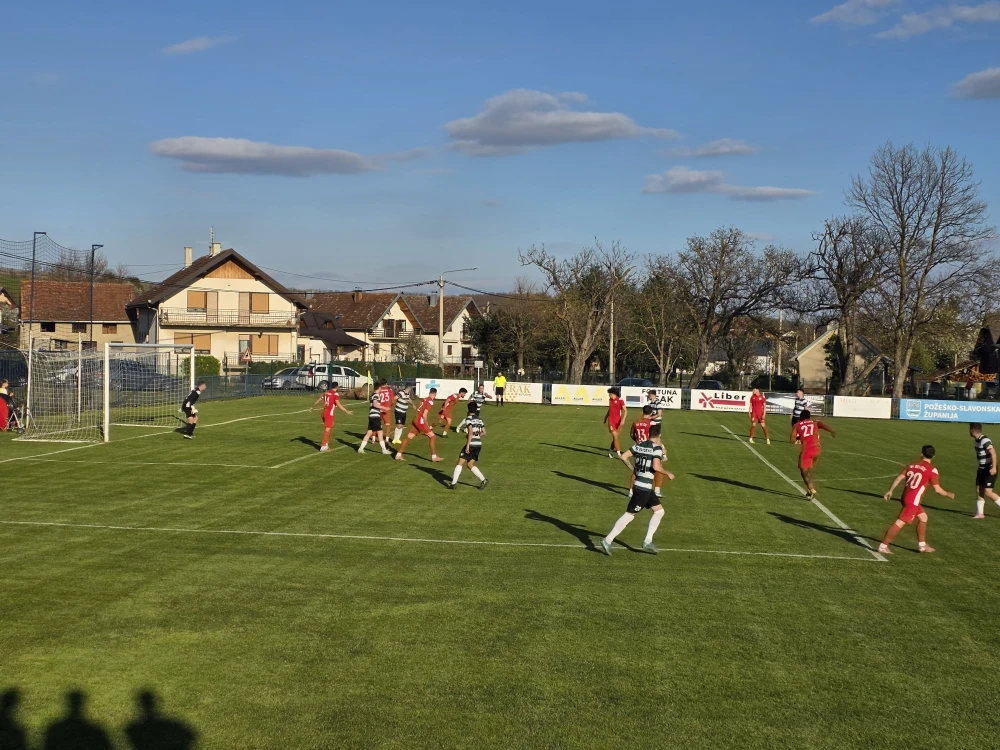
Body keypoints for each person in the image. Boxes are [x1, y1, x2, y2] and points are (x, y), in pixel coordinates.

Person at [601, 423, 674, 555]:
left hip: (642, 486)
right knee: (629, 515)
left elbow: (623, 456)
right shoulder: (656, 448)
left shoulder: (639, 445)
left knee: (659, 511)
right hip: (643, 489)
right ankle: (608, 540)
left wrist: (633, 469)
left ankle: (647, 541)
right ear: (659, 435)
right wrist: (668, 473)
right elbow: (656, 467)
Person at [879, 445, 955, 555]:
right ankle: (883, 546)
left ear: (921, 454)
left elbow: (899, 478)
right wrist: (948, 494)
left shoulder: (911, 465)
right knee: (900, 522)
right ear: (933, 456)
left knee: (923, 517)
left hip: (905, 497)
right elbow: (937, 489)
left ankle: (922, 545)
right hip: (912, 501)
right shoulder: (932, 470)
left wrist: (890, 490)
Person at [790, 409, 835, 499]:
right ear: (809, 417)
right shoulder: (815, 422)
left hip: (807, 450)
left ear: (801, 417)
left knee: (803, 471)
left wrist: (798, 438)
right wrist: (832, 431)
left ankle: (812, 489)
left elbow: (792, 440)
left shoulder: (797, 425)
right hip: (817, 449)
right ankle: (810, 489)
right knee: (808, 469)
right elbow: (823, 426)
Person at [395, 387, 443, 462]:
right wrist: (426, 423)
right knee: (433, 437)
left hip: (415, 419)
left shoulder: (424, 399)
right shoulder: (430, 401)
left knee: (409, 437)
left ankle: (398, 455)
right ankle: (434, 457)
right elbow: (424, 414)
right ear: (435, 394)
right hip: (420, 421)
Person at [449, 402, 488, 489]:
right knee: (470, 464)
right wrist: (476, 436)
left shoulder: (468, 419)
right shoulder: (480, 420)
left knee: (460, 463)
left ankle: (453, 484)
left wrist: (468, 444)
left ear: (468, 410)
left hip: (471, 444)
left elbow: (470, 431)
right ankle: (483, 480)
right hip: (478, 444)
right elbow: (484, 433)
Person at [970, 422, 1000, 519]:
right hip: (982, 469)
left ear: (973, 430)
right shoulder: (977, 440)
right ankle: (980, 514)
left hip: (989, 468)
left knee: (988, 492)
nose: (969, 431)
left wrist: (994, 467)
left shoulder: (984, 440)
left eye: (970, 429)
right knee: (980, 490)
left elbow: (993, 453)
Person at [311, 381, 352, 452]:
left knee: (330, 426)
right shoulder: (335, 394)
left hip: (323, 412)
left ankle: (326, 444)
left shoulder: (326, 392)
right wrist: (346, 411)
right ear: (337, 387)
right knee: (328, 428)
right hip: (329, 413)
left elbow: (319, 399)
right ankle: (323, 446)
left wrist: (312, 406)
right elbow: (338, 404)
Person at [604, 387, 627, 458]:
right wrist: (606, 417)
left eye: (610, 394)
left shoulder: (620, 400)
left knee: (615, 438)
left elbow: (625, 410)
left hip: (618, 421)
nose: (609, 395)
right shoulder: (610, 400)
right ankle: (619, 454)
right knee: (615, 436)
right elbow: (610, 409)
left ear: (613, 394)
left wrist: (623, 420)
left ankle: (610, 452)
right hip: (611, 421)